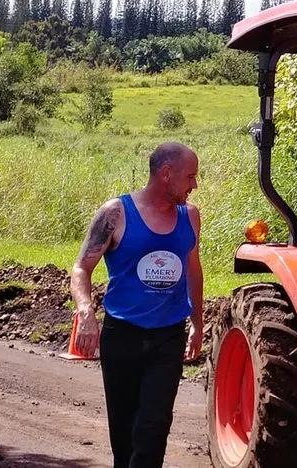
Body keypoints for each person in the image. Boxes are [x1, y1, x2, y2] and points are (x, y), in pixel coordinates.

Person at [69, 141, 203, 468]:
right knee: (124, 430)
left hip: (168, 337)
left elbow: (193, 270)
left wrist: (197, 324)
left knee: (153, 427)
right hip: (122, 337)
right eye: (190, 176)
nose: (195, 185)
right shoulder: (116, 213)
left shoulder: (191, 216)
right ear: (166, 174)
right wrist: (86, 310)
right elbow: (81, 268)